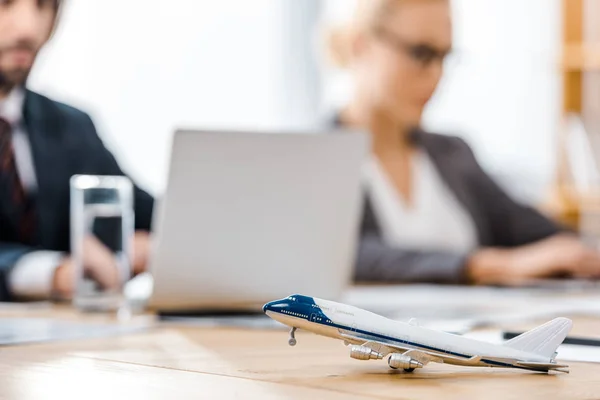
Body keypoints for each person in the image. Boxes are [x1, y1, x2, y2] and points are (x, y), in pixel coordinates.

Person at [327, 0, 600, 285]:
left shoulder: (452, 154)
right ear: (362, 45)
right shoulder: (314, 160)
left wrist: (583, 254)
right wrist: (488, 266)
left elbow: (537, 233)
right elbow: (344, 254)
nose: (436, 75)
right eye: (421, 53)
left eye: (444, 57)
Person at [0, 0, 154, 301]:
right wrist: (50, 273)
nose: (29, 28)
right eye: (6, 4)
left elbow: (147, 213)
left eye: (43, 6)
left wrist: (156, 243)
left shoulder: (70, 126)